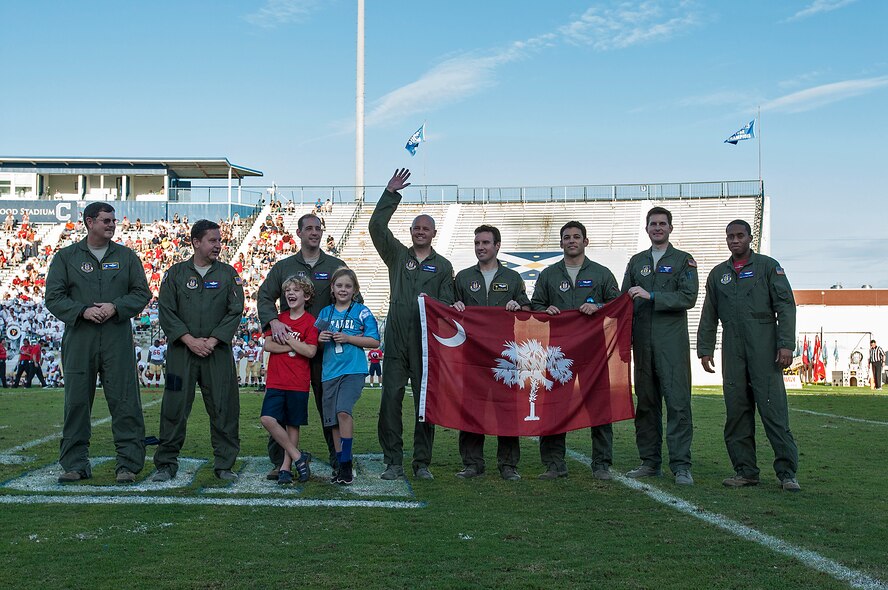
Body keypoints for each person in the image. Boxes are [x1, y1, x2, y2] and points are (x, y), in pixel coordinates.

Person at [45, 201, 152, 484]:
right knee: (76, 402)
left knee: (126, 400)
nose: (112, 224)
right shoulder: (66, 257)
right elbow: (53, 297)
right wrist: (82, 310)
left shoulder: (127, 257)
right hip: (80, 336)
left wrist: (116, 307)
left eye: (113, 220)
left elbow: (142, 293)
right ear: (89, 222)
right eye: (106, 220)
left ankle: (128, 464)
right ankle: (75, 464)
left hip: (116, 336)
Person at [697, 219, 800, 492]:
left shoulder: (768, 267)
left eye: (740, 235)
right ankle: (745, 471)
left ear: (750, 237)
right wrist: (705, 348)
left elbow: (786, 307)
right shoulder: (718, 274)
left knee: (774, 411)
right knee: (737, 412)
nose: (734, 240)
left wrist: (786, 344)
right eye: (730, 236)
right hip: (733, 350)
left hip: (764, 348)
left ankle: (787, 473)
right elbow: (709, 314)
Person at [370, 168, 455, 480]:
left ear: (433, 234)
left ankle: (421, 463)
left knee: (424, 405)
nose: (421, 231)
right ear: (410, 231)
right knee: (389, 402)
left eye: (426, 228)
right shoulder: (396, 256)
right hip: (395, 344)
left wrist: (433, 303)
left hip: (425, 346)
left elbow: (447, 305)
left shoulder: (444, 266)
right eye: (416, 227)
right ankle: (393, 461)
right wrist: (390, 194)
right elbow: (376, 228)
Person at [257, 212, 353, 480]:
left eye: (318, 228)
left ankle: (339, 460)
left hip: (326, 352)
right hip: (291, 353)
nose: (314, 232)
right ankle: (280, 461)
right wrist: (273, 322)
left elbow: (352, 297)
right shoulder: (283, 266)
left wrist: (341, 328)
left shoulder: (335, 264)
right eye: (308, 228)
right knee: (284, 408)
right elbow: (264, 296)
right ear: (298, 233)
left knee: (330, 407)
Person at [153, 220, 245, 482]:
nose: (218, 245)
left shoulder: (228, 274)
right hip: (182, 354)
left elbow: (235, 311)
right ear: (196, 242)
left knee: (224, 407)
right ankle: (166, 464)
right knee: (174, 407)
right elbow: (166, 311)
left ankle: (225, 464)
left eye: (219, 240)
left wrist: (213, 341)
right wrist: (190, 340)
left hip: (217, 353)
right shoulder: (175, 274)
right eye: (213, 240)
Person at [530, 221, 619, 480]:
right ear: (560, 243)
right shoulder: (549, 275)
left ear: (585, 242)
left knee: (599, 407)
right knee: (554, 407)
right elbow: (535, 305)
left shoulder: (602, 273)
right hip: (558, 353)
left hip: (594, 352)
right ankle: (554, 464)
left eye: (576, 237)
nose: (571, 241)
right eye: (567, 237)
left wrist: (599, 306)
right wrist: (545, 310)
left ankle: (601, 464)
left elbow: (618, 305)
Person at [622, 207, 698, 485]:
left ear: (670, 228)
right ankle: (650, 462)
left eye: (662, 223)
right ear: (646, 228)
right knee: (646, 404)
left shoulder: (683, 260)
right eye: (652, 223)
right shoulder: (636, 261)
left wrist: (652, 295)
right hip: (642, 345)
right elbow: (624, 302)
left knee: (678, 405)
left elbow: (688, 297)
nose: (657, 228)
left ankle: (681, 465)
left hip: (672, 345)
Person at [452, 225, 531, 481]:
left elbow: (528, 308)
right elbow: (448, 309)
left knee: (506, 409)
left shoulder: (512, 278)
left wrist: (517, 304)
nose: (480, 247)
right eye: (477, 243)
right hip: (472, 356)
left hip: (505, 357)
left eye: (485, 242)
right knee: (471, 409)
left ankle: (508, 465)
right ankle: (472, 463)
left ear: (497, 246)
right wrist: (455, 305)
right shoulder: (463, 278)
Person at [316, 268, 380, 485]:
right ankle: (342, 464)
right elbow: (315, 339)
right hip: (329, 372)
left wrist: (348, 338)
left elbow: (374, 341)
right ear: (332, 288)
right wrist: (320, 338)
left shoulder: (362, 312)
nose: (343, 289)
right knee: (333, 420)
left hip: (353, 370)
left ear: (355, 290)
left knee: (343, 411)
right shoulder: (325, 313)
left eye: (348, 286)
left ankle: (346, 464)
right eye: (339, 285)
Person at [260, 276, 318, 484]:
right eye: (288, 290)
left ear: (307, 296)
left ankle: (286, 467)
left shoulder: (311, 322)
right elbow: (268, 345)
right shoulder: (278, 320)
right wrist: (293, 345)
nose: (291, 293)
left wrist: (289, 340)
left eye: (296, 290)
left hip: (298, 381)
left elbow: (310, 351)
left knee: (293, 425)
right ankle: (297, 456)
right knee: (267, 419)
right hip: (276, 379)